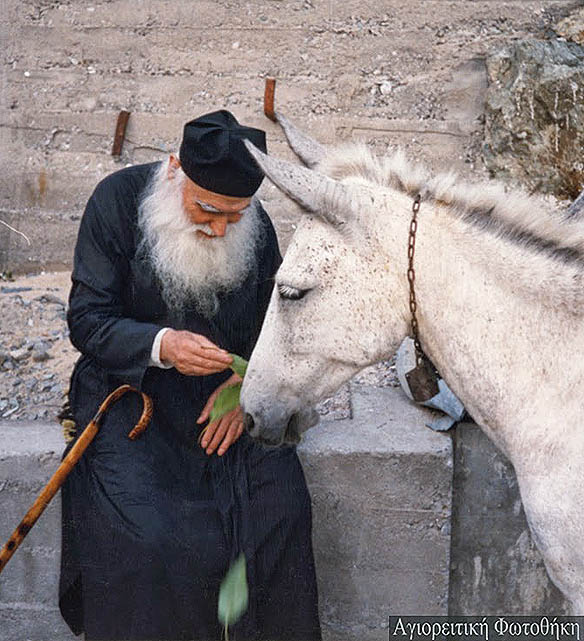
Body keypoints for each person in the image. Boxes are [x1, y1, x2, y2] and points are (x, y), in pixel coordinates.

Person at [59, 110, 321, 641]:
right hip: (133, 397)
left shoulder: (255, 225)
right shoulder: (115, 203)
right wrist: (162, 345)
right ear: (176, 169)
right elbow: (88, 320)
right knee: (152, 535)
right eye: (207, 209)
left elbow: (273, 323)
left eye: (236, 215)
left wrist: (246, 386)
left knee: (279, 508)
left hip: (221, 403)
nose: (221, 228)